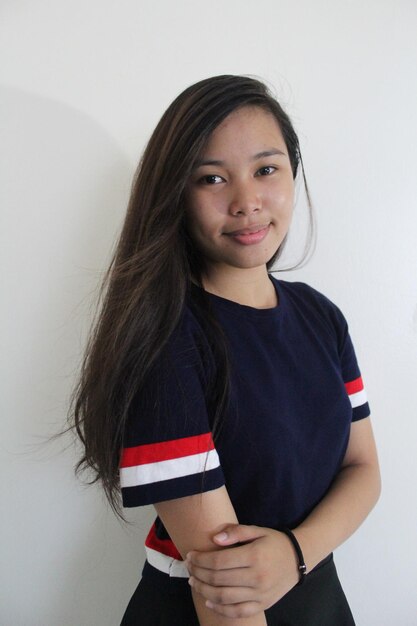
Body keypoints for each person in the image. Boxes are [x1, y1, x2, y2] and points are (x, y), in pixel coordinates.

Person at [70, 75, 381, 626]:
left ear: (293, 172)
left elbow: (363, 469)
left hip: (316, 592)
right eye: (212, 178)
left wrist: (296, 554)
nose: (246, 202)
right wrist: (292, 561)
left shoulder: (321, 316)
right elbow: (225, 593)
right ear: (176, 196)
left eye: (266, 169)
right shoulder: (166, 339)